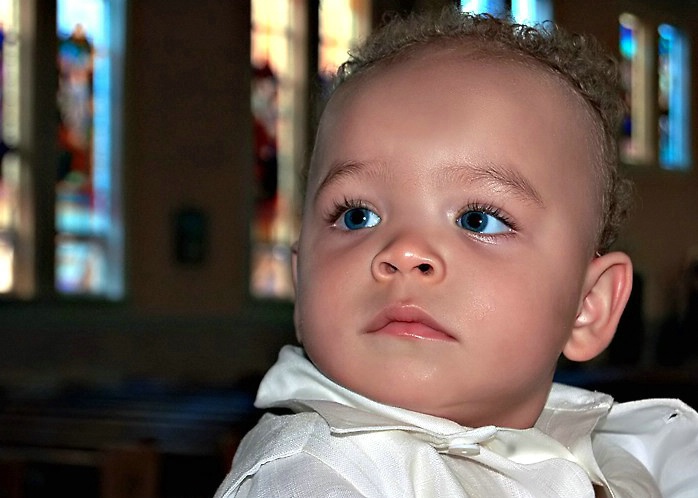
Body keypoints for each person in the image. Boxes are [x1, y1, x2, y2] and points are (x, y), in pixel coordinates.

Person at [215, 7, 698, 497]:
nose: (404, 251)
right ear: (303, 279)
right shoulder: (315, 473)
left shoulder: (621, 465)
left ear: (588, 306)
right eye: (357, 215)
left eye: (478, 220)